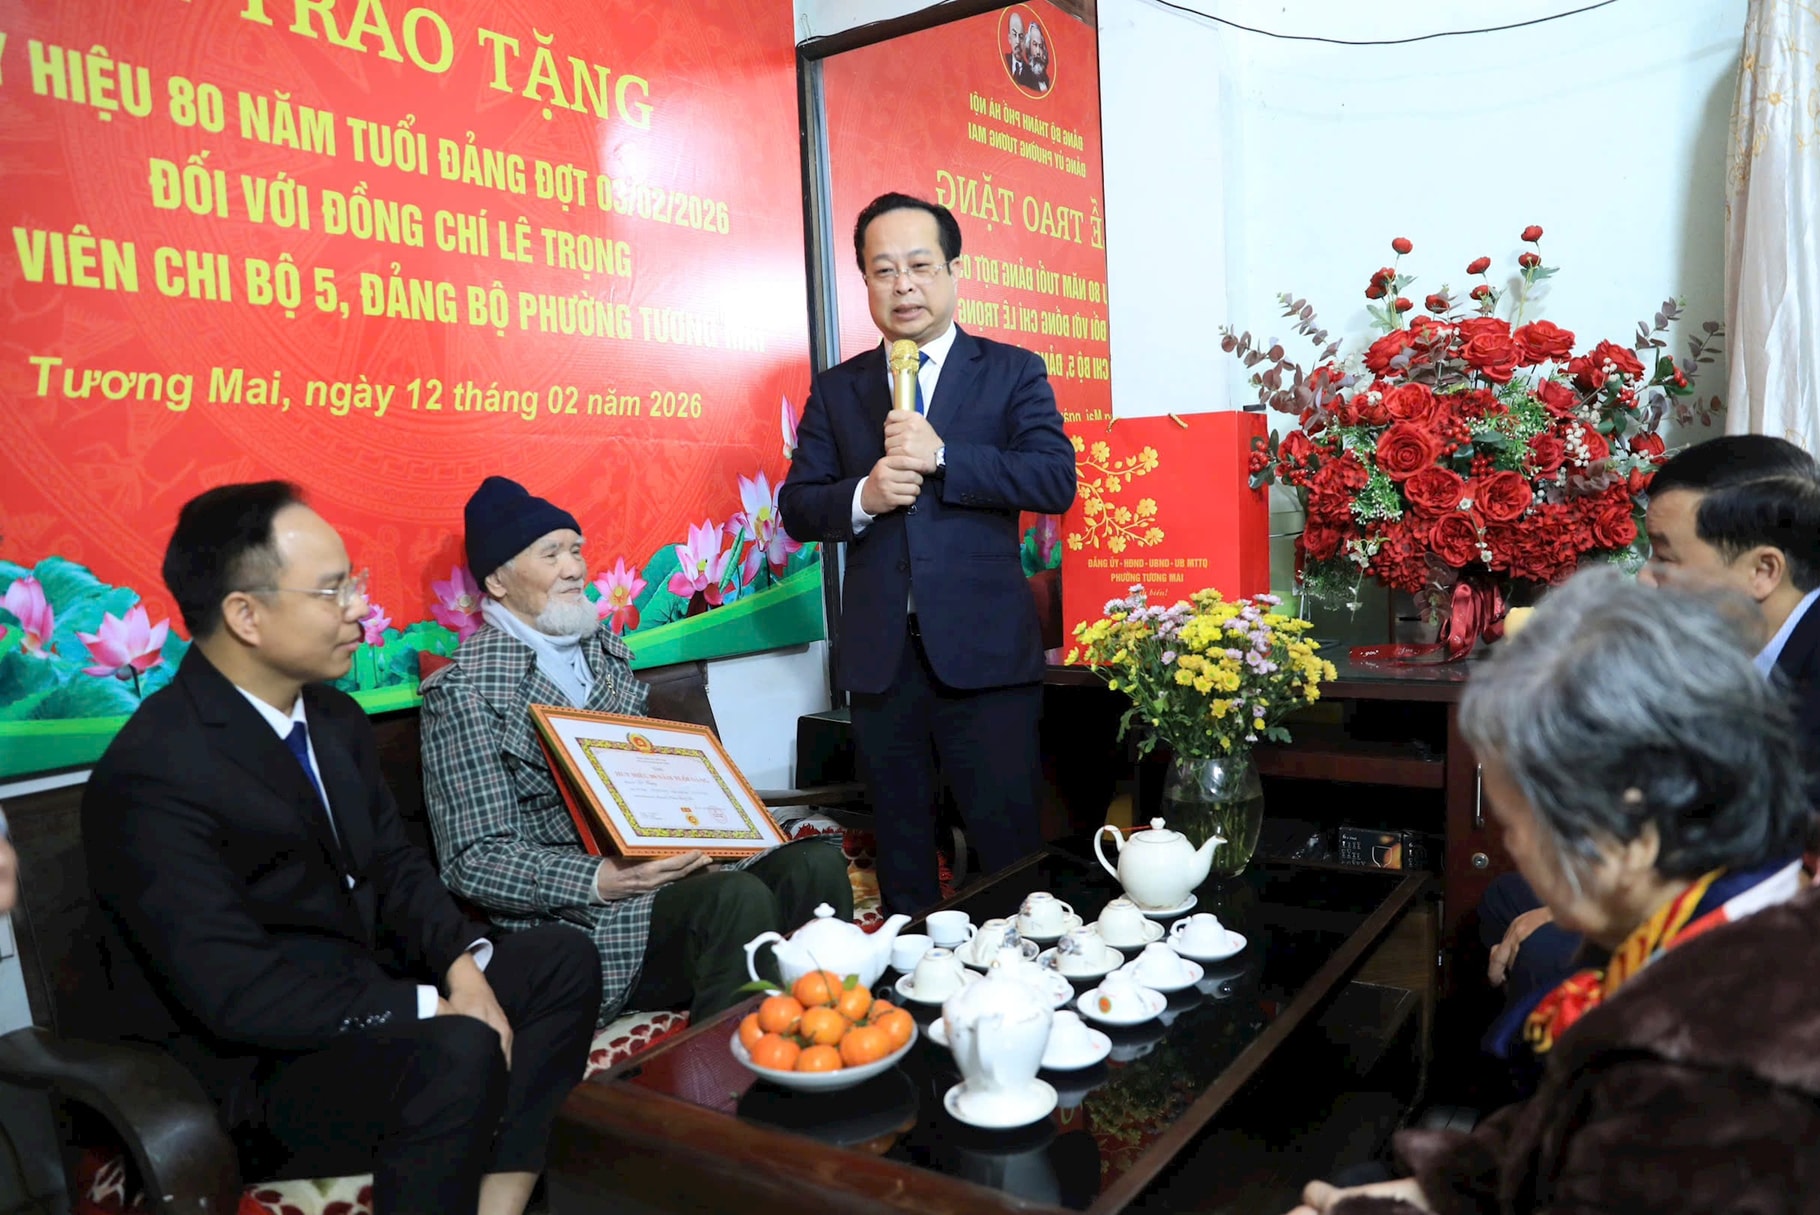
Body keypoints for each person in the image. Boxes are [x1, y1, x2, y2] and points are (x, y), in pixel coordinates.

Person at [1290, 568, 1820, 1214]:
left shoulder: (1728, 1073)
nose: (1516, 851)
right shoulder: (1796, 873)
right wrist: (1430, 1184)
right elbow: (1563, 1136)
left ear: (1629, 823)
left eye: (1517, 823)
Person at [81, 482, 600, 1215]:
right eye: (333, 591)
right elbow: (235, 993)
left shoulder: (332, 717)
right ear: (246, 615)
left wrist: (464, 973)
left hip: (364, 998)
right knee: (459, 1048)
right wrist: (426, 1007)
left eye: (353, 583)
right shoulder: (156, 771)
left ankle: (500, 1203)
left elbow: (394, 865)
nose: (359, 607)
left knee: (560, 959)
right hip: (261, 1070)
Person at [1484, 435, 1820, 1016]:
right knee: (1507, 898)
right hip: (1735, 885)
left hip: (1818, 940)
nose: (1646, 579)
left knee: (1547, 950)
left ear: (1762, 570)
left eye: (1665, 558)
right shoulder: (1739, 649)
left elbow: (1802, 873)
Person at [419, 476, 854, 1025]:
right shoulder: (466, 691)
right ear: (497, 582)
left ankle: (837, 1031)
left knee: (815, 864)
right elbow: (474, 860)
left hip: (672, 870)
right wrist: (603, 878)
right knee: (736, 898)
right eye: (551, 554)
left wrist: (721, 823)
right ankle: (729, 1070)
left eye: (576, 550)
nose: (574, 569)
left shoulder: (605, 655)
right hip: (586, 916)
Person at [779, 193, 1076, 915]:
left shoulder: (1012, 371)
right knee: (903, 853)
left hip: (986, 659)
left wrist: (945, 457)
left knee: (1008, 850)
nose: (903, 285)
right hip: (883, 664)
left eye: (919, 266)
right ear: (866, 282)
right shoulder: (838, 389)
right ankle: (915, 974)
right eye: (883, 271)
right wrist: (865, 495)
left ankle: (1019, 973)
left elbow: (1053, 479)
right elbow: (798, 506)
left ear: (953, 271)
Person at [1023, 23, 1051, 94]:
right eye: (1035, 45)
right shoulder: (1024, 77)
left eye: (1040, 46)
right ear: (1028, 46)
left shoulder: (1047, 80)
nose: (1038, 52)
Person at [1004, 10, 1027, 82]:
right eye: (1014, 35)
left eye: (1021, 36)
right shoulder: (1004, 61)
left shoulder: (1031, 73)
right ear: (1009, 38)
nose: (1018, 41)